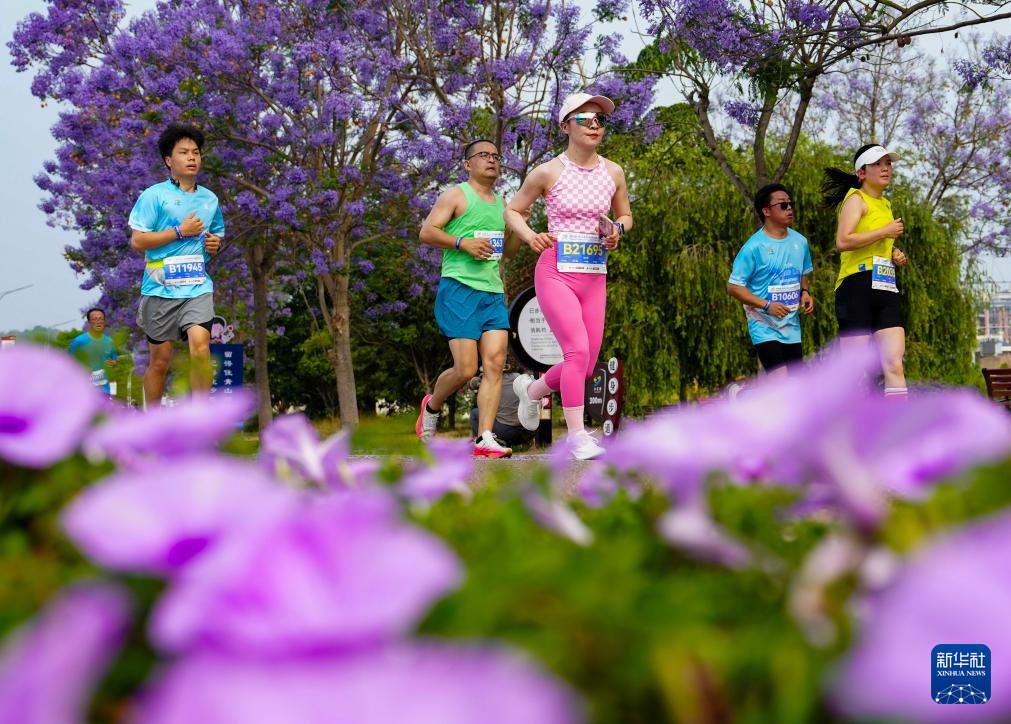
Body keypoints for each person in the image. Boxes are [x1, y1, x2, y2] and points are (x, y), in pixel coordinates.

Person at [504, 93, 632, 460]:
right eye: (585, 118)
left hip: (593, 275)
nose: (594, 124)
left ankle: (532, 391)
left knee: (587, 365)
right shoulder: (548, 172)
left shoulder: (613, 172)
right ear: (565, 126)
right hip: (556, 271)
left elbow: (625, 216)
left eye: (600, 120)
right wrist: (530, 236)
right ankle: (576, 436)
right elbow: (513, 210)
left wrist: (616, 231)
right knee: (576, 352)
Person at [416, 139, 521, 458]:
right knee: (465, 369)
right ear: (467, 164)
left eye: (496, 156)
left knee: (495, 364)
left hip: (492, 293)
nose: (492, 160)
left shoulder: (503, 204)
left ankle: (484, 437)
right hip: (459, 289)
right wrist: (463, 243)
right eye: (483, 155)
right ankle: (431, 406)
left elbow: (509, 252)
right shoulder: (456, 195)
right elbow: (426, 232)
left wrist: (518, 226)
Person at [128, 122, 224, 406]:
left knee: (201, 349)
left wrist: (214, 244)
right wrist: (180, 232)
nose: (192, 157)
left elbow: (216, 235)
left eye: (196, 152)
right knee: (160, 362)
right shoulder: (154, 196)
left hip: (197, 286)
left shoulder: (210, 199)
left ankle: (201, 420)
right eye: (184, 152)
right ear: (169, 160)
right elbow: (138, 241)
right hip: (160, 288)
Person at [822, 144, 908, 399]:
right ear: (861, 173)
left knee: (894, 363)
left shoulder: (886, 204)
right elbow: (843, 241)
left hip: (885, 286)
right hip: (856, 286)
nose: (885, 168)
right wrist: (885, 232)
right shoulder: (855, 200)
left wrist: (893, 252)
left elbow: (875, 242)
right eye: (877, 164)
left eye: (888, 163)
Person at [727, 184, 814, 376]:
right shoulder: (753, 247)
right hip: (763, 325)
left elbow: (802, 273)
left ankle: (747, 394)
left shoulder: (800, 242)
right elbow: (733, 287)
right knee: (781, 382)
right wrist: (767, 305)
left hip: (791, 326)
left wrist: (805, 292)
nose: (789, 208)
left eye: (790, 204)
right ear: (766, 211)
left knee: (796, 385)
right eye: (783, 205)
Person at [467, 371, 537, 448]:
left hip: (505, 433)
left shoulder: (490, 383)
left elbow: (472, 387)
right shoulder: (519, 377)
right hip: (528, 431)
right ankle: (526, 442)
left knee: (475, 413)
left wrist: (482, 381)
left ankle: (482, 443)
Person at [67, 307, 118, 394]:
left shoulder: (109, 341)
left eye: (101, 319)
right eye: (95, 319)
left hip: (105, 391)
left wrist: (114, 363)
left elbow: (114, 361)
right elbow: (67, 362)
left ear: (104, 322)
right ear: (89, 322)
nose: (98, 321)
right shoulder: (79, 341)